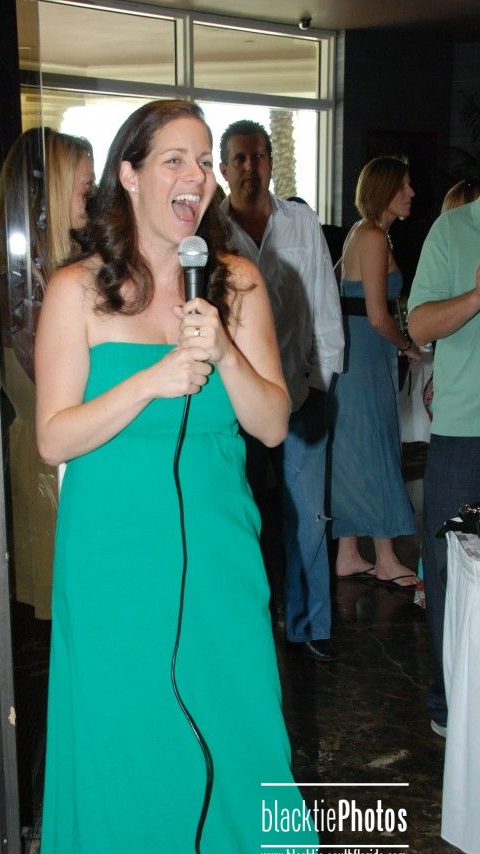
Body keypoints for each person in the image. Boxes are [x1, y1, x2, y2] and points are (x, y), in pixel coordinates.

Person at [34, 99, 408, 854]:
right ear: (129, 174)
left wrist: (225, 354)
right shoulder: (76, 289)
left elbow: (274, 422)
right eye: (174, 159)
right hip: (113, 555)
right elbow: (54, 436)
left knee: (246, 733)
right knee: (132, 742)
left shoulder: (234, 282)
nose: (196, 176)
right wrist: (154, 378)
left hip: (218, 548)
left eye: (203, 161)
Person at [218, 119, 344, 663]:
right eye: (240, 158)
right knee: (238, 513)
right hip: (234, 403)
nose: (251, 167)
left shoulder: (301, 222)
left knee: (307, 517)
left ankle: (307, 625)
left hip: (299, 395)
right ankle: (245, 623)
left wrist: (319, 384)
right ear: (224, 169)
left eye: (260, 156)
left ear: (271, 163)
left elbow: (324, 305)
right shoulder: (211, 232)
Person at [0, 127, 94, 620]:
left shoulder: (42, 282)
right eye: (85, 189)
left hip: (59, 469)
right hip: (53, 476)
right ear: (49, 195)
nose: (94, 202)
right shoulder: (26, 292)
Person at [407, 192, 480, 737]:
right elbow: (419, 326)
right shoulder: (453, 230)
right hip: (465, 436)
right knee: (451, 570)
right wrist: (476, 297)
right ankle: (451, 703)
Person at [328, 157, 421, 586]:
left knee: (354, 451)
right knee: (378, 448)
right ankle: (384, 558)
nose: (411, 193)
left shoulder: (361, 233)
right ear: (384, 190)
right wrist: (407, 346)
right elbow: (379, 317)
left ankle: (348, 553)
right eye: (403, 186)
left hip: (357, 354)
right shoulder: (373, 236)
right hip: (366, 356)